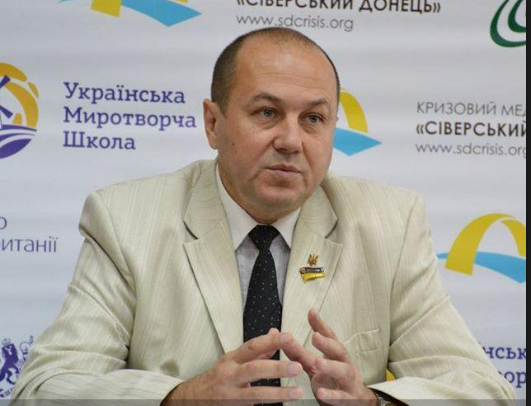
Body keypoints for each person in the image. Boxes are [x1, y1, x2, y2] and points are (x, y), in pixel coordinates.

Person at [12, 28, 516, 406]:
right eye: (267, 113)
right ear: (213, 123)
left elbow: (485, 391)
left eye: (313, 118)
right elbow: (42, 389)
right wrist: (179, 399)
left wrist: (372, 403)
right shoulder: (126, 220)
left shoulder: (390, 224)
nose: (291, 141)